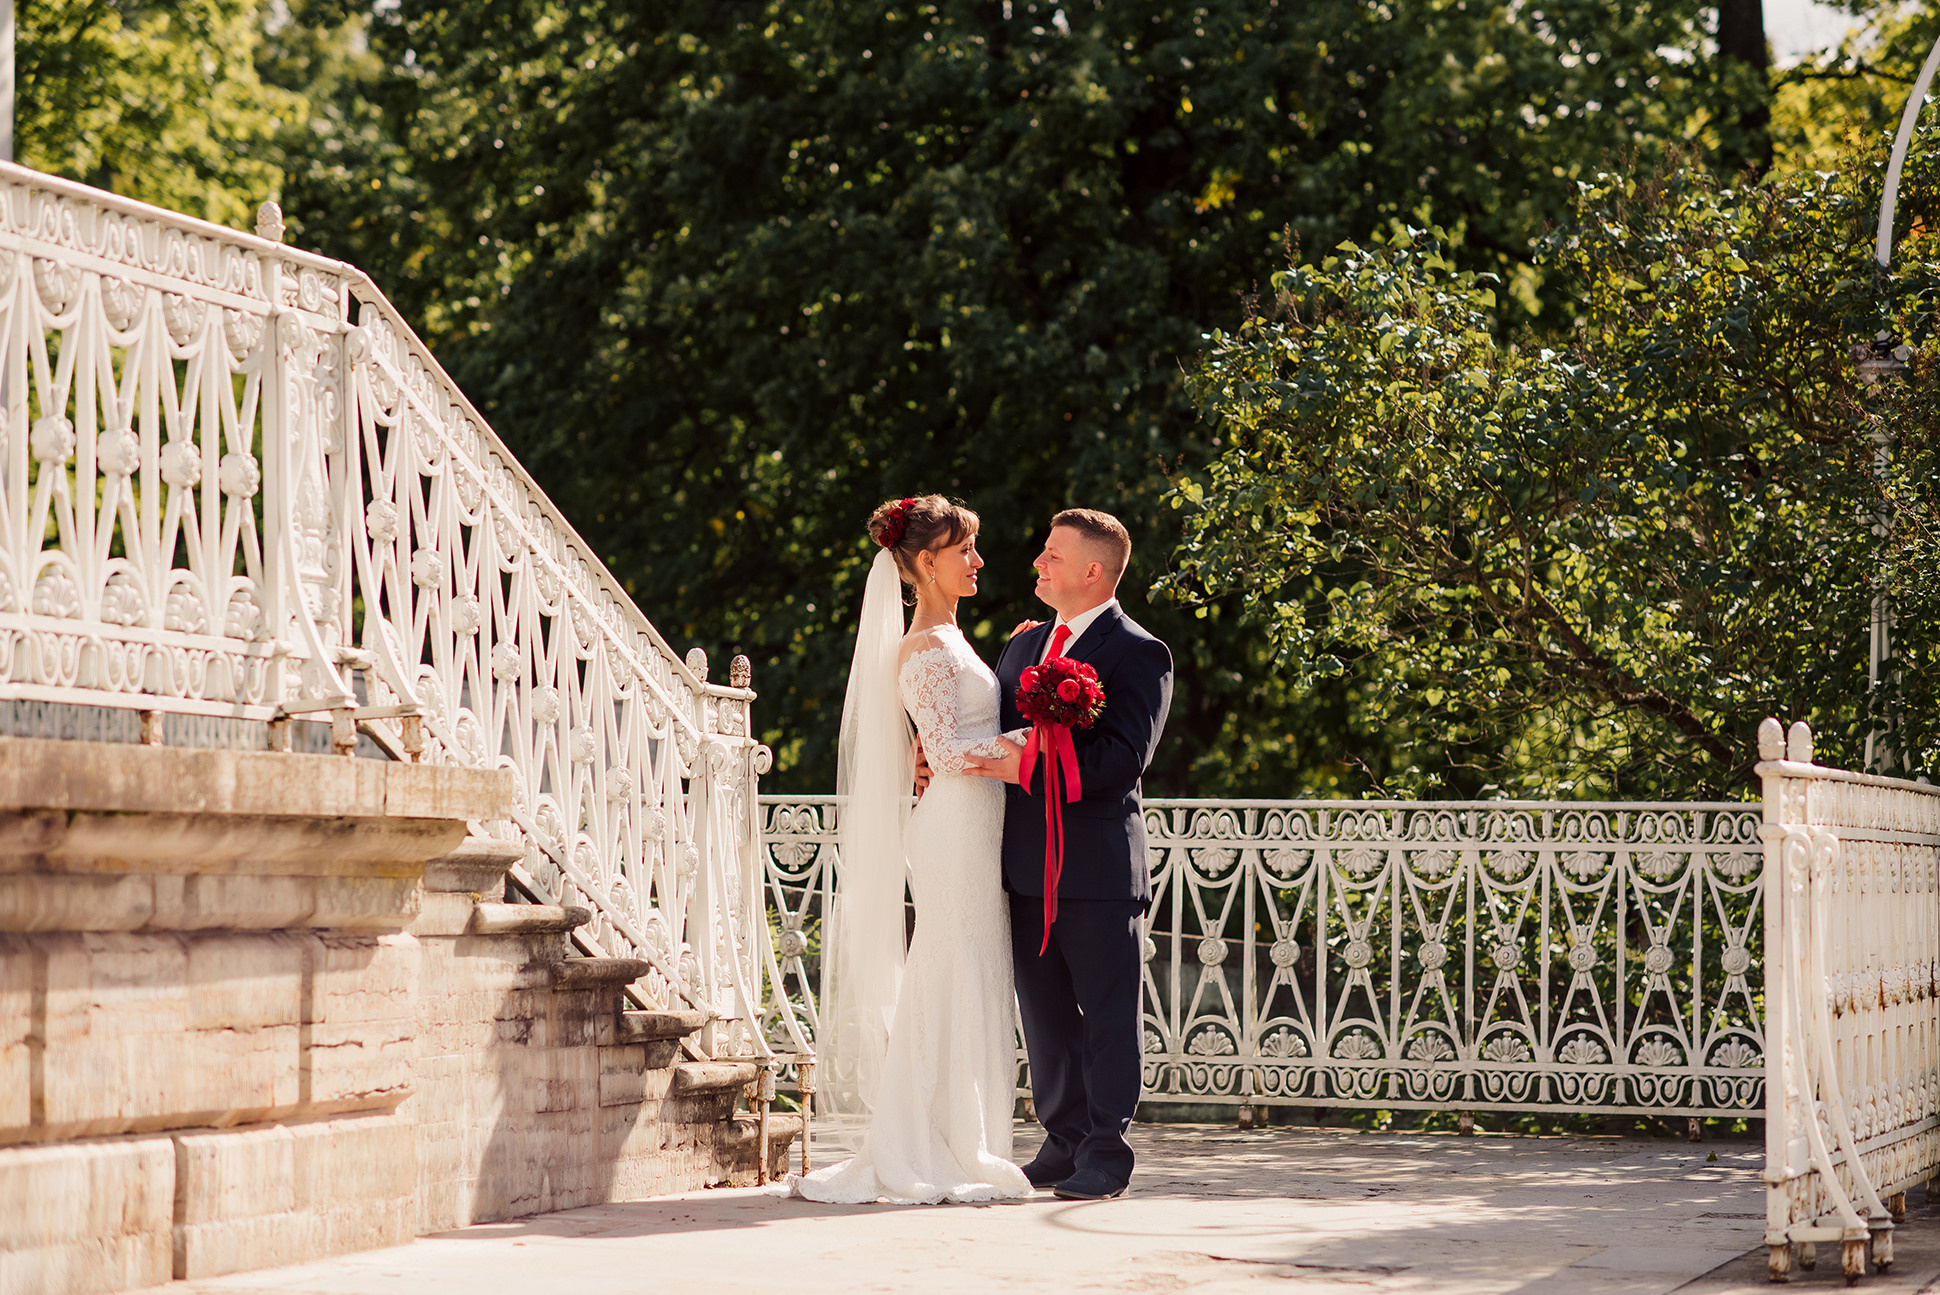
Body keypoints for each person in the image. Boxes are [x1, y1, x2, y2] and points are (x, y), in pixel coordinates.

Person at [789, 495, 1032, 1205]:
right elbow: (951, 752)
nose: (979, 561)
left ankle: (964, 1130)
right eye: (966, 551)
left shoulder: (952, 639)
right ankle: (924, 1136)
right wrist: (1038, 742)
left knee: (977, 967)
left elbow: (947, 738)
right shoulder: (923, 647)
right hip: (954, 826)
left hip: (977, 823)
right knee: (948, 967)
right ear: (927, 562)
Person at [963, 509, 1173, 1201]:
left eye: (1051, 555)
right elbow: (989, 733)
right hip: (1025, 866)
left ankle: (1107, 1152)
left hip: (1099, 871)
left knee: (1107, 1017)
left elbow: (1120, 759)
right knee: (1045, 1016)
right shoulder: (1022, 650)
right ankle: (1062, 1140)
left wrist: (1020, 767)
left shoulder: (1140, 652)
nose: (1036, 565)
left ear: (1093, 570)